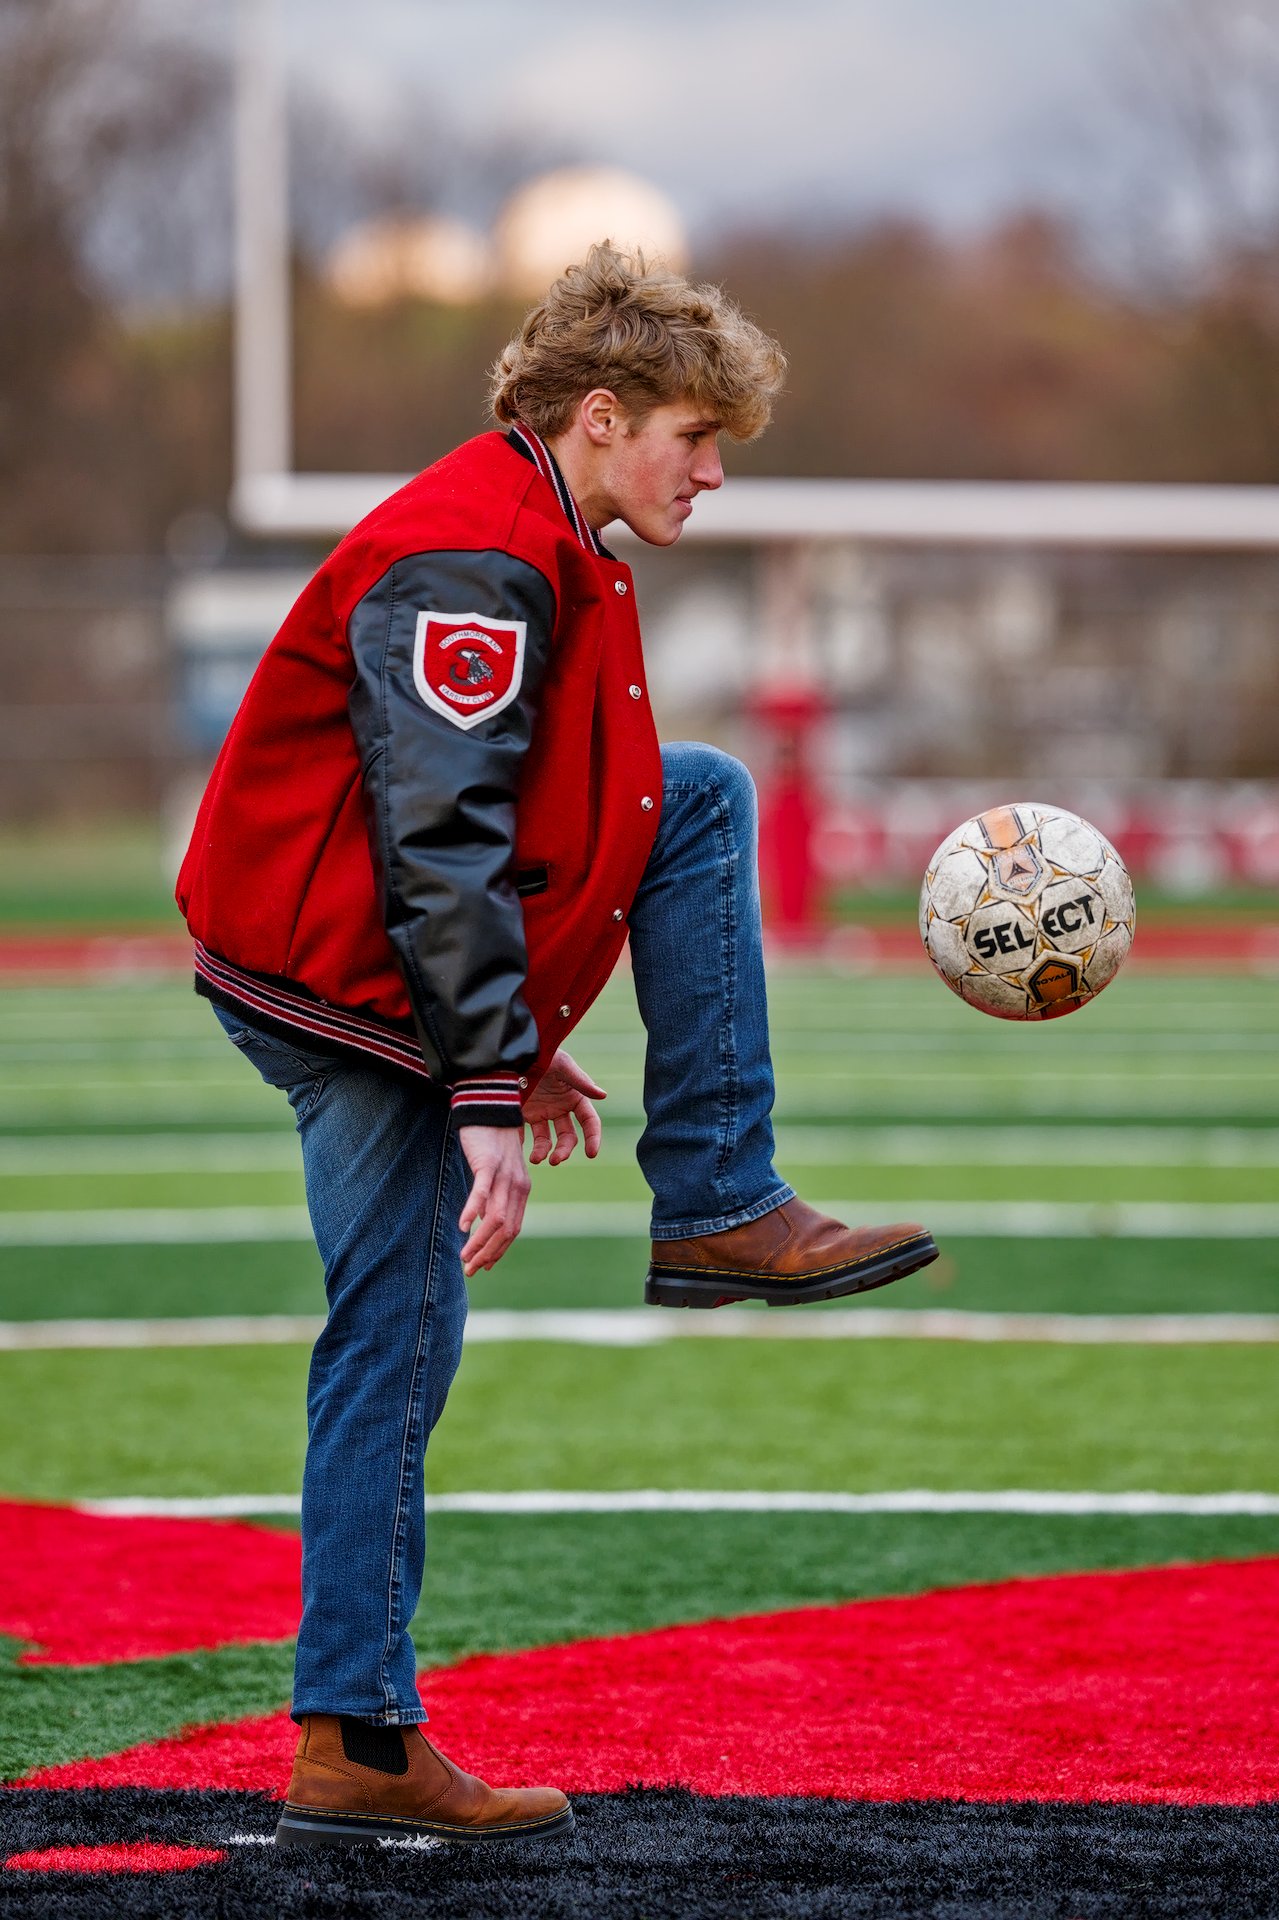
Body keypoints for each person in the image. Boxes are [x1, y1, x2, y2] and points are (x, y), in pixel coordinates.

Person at [176, 243, 937, 1850]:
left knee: (700, 792)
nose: (714, 474)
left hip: (369, 958)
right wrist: (483, 1080)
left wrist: (518, 1031)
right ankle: (354, 1737)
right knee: (396, 1335)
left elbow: (546, 808)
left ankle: (719, 1195)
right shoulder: (474, 555)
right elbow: (439, 836)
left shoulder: (536, 525)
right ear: (602, 415)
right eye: (695, 438)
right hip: (336, 982)